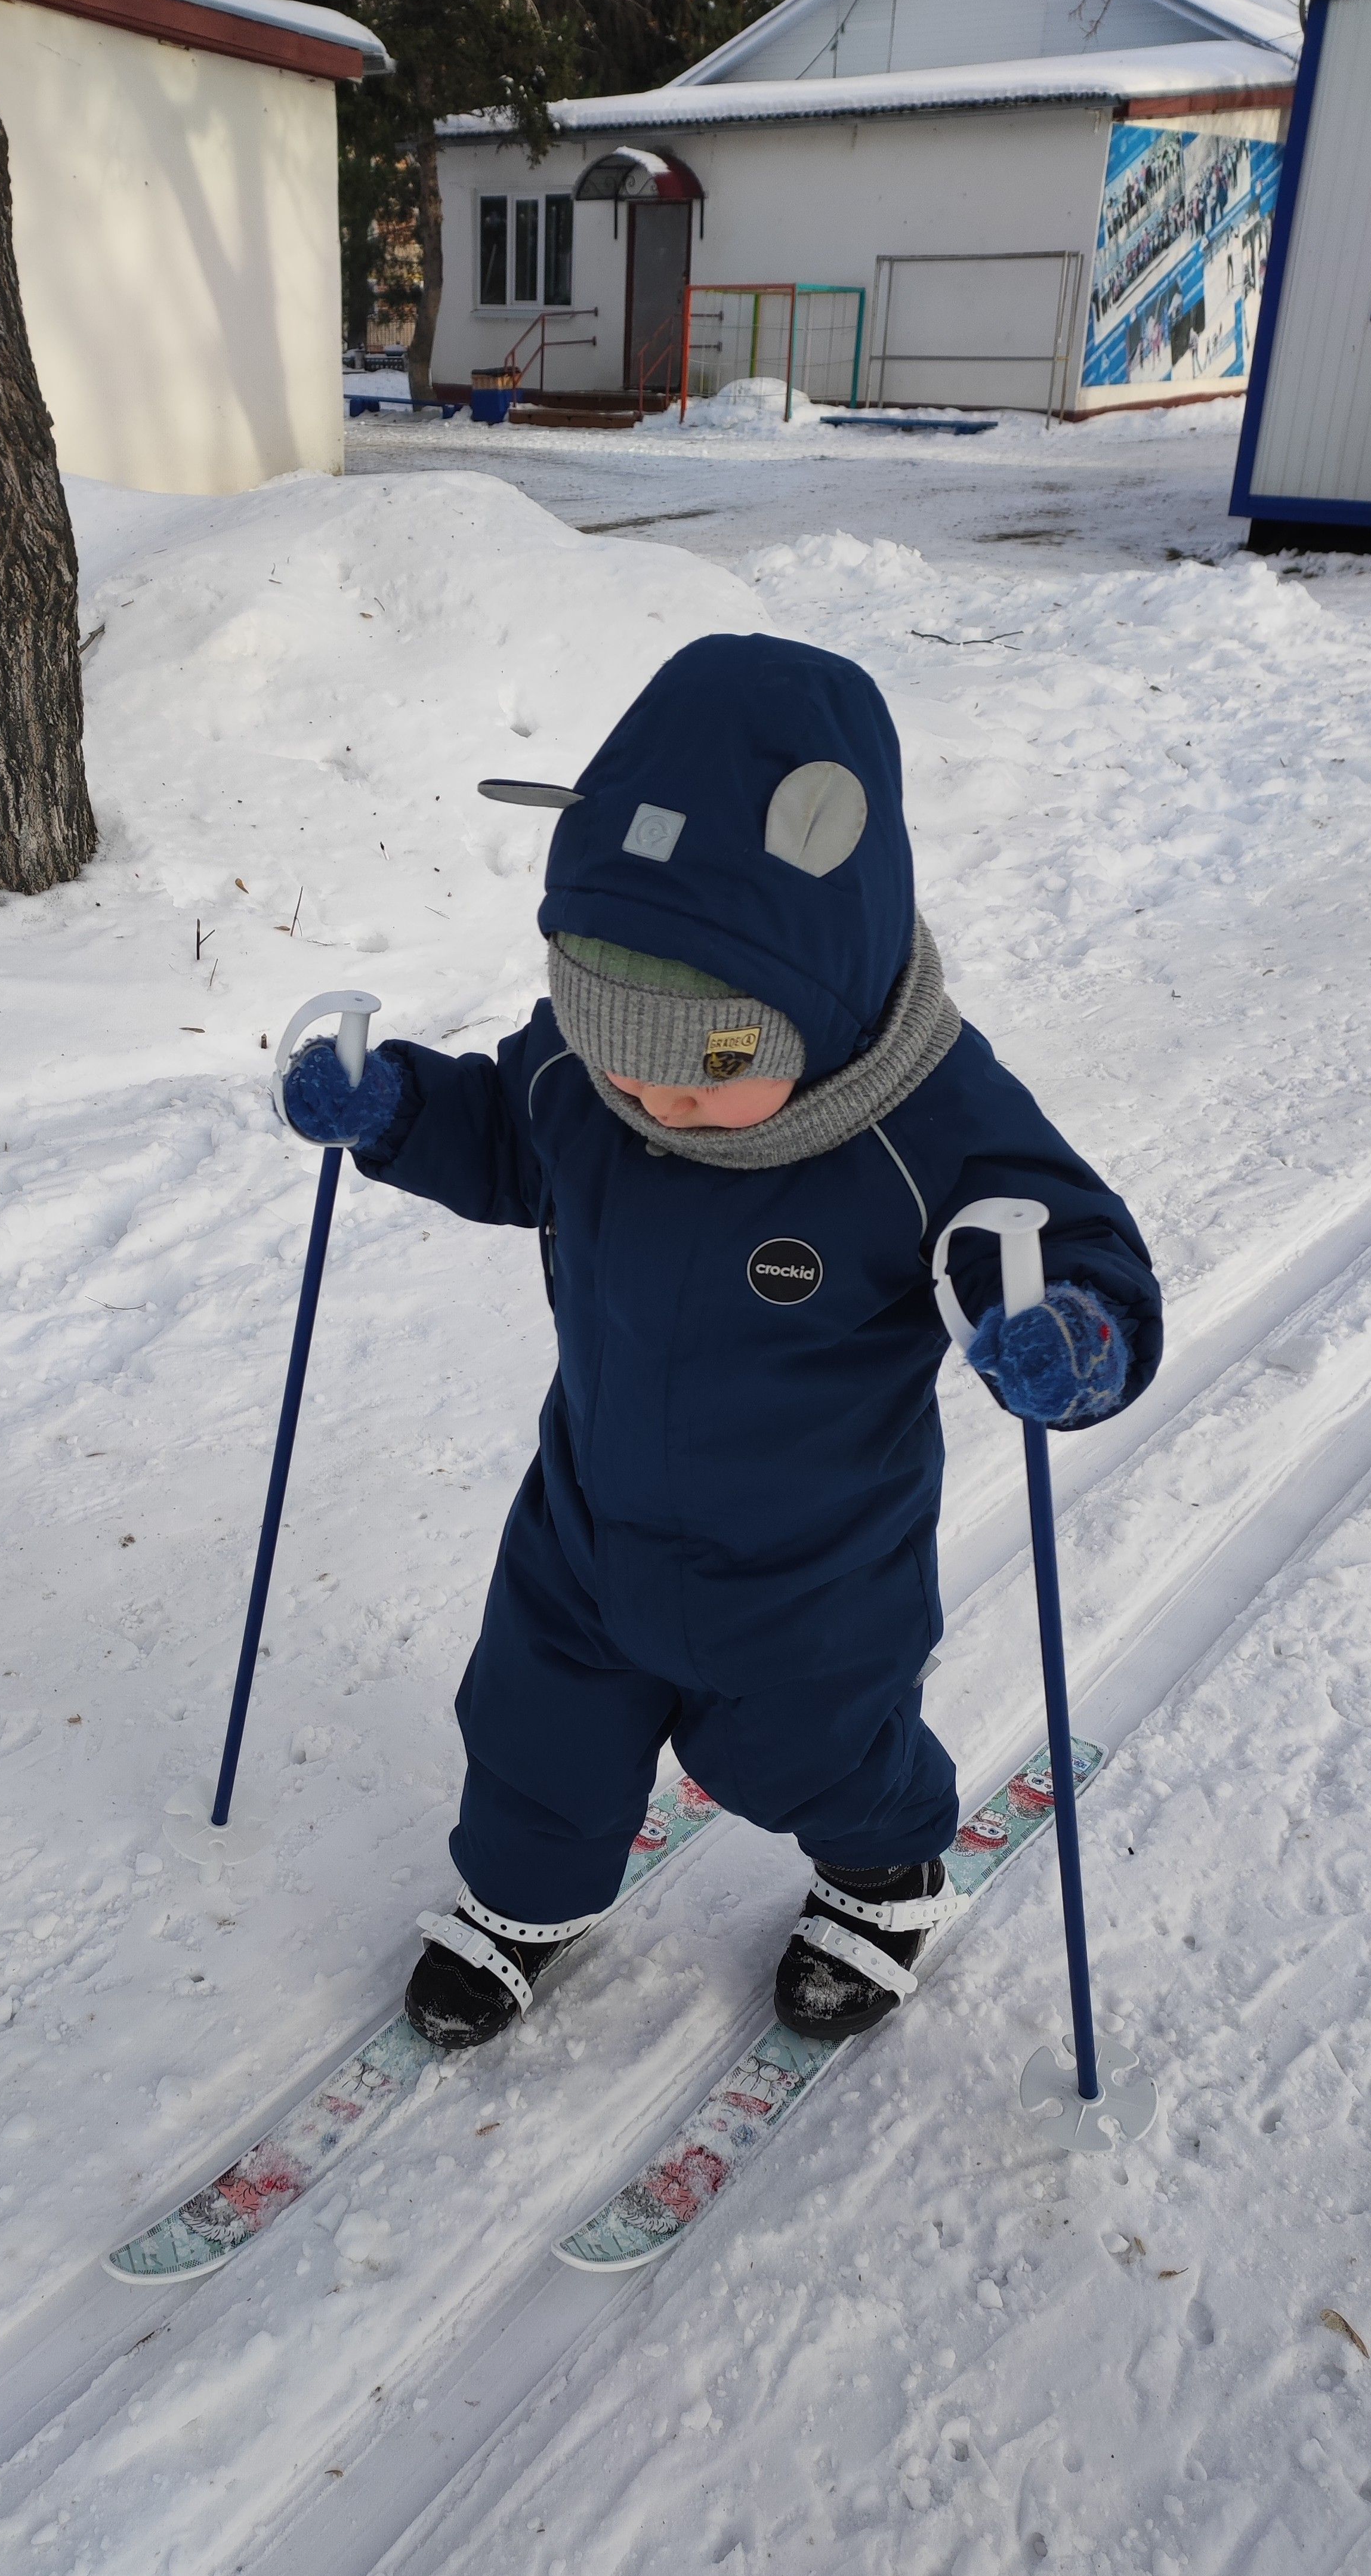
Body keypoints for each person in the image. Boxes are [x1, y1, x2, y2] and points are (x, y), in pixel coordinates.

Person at [279, 635, 1160, 2054]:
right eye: (607, 1038)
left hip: (810, 1562)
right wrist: (390, 1109)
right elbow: (511, 1136)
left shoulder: (916, 1119)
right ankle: (525, 1893)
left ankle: (884, 1878)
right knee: (533, 1722)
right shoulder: (588, 1075)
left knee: (812, 1747)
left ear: (819, 996)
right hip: (590, 1516)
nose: (648, 1097)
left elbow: (1055, 1232)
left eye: (707, 1068)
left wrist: (1069, 1327)